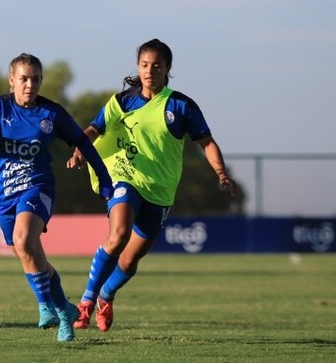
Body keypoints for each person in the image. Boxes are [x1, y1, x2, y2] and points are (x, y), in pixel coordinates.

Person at [67, 38, 238, 332]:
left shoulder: (180, 105)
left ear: (167, 69)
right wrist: (81, 148)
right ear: (138, 67)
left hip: (160, 190)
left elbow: (206, 142)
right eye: (144, 65)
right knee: (118, 234)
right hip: (125, 177)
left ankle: (107, 296)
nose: (149, 70)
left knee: (131, 259)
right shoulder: (121, 101)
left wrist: (220, 172)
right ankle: (86, 303)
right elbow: (96, 128)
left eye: (156, 65)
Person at [0, 53, 114, 342]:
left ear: (41, 81)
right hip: (4, 196)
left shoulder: (51, 113)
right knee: (32, 256)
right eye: (23, 79)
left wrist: (105, 181)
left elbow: (83, 141)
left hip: (38, 188)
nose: (30, 84)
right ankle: (65, 313)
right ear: (11, 81)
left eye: (35, 79)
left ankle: (45, 305)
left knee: (24, 240)